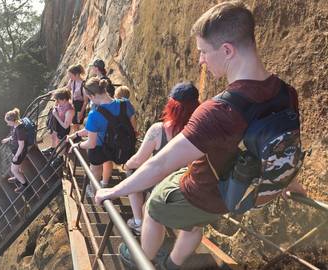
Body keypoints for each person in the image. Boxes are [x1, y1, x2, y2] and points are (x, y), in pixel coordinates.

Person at [94, 1, 306, 269]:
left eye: (204, 51)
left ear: (227, 50)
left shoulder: (219, 111)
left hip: (206, 193)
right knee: (188, 216)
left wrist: (113, 190)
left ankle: (140, 259)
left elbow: (159, 164)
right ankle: (174, 262)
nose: (200, 60)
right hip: (243, 191)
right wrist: (286, 180)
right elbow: (271, 144)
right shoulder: (286, 93)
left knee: (154, 206)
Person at [123, 82, 200, 236]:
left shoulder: (159, 129)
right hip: (184, 185)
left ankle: (138, 222)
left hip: (160, 182)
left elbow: (139, 159)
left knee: (131, 176)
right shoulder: (199, 131)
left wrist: (127, 165)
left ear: (171, 106)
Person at [68, 77, 136, 194]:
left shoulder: (94, 115)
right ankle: (116, 185)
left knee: (95, 172)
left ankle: (95, 193)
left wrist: (77, 145)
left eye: (88, 97)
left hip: (100, 149)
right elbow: (133, 127)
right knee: (121, 166)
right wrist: (77, 133)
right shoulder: (125, 103)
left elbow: (91, 143)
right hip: (122, 144)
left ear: (92, 96)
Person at [90, 59, 117, 188]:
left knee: (99, 161)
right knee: (107, 158)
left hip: (101, 122)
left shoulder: (104, 82)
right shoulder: (123, 105)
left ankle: (98, 187)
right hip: (108, 126)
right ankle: (104, 183)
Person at [1, 108, 29, 193]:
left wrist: (16, 156)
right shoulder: (15, 126)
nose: (7, 124)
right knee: (17, 168)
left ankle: (24, 185)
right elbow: (14, 136)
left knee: (13, 169)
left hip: (19, 153)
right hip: (16, 151)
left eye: (8, 122)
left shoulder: (19, 129)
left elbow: (21, 145)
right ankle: (17, 177)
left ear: (13, 120)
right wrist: (8, 139)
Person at [67, 64, 88, 131]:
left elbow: (85, 101)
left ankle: (77, 137)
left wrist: (81, 112)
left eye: (70, 75)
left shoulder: (83, 84)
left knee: (76, 124)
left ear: (76, 74)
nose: (69, 77)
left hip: (80, 106)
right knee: (74, 125)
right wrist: (54, 91)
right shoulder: (72, 81)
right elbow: (66, 88)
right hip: (73, 105)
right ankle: (76, 137)